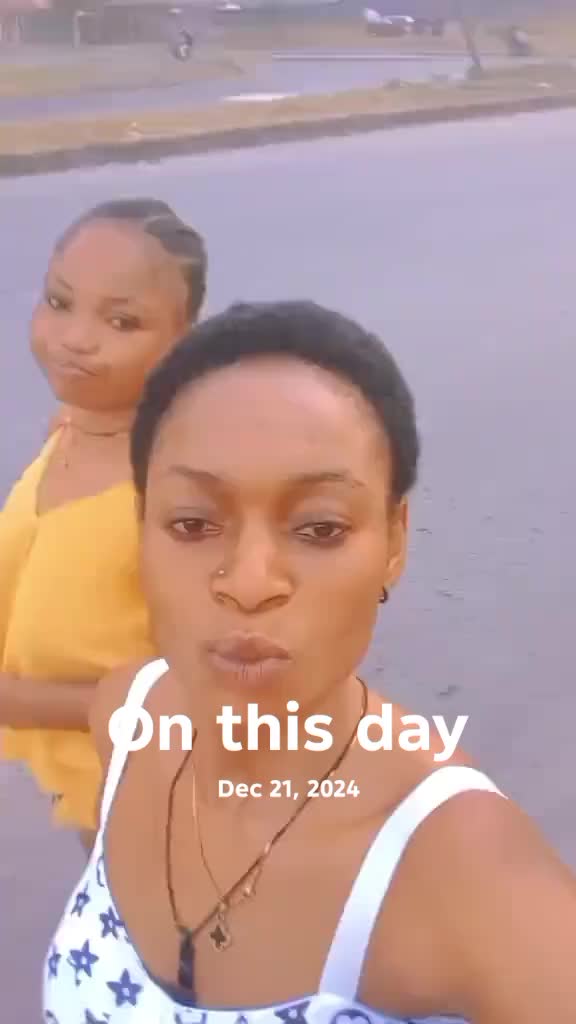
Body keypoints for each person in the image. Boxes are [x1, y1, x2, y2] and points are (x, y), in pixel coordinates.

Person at [45, 301, 576, 1022]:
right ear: (140, 529)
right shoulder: (126, 716)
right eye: (193, 523)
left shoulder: (465, 876)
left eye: (319, 528)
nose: (249, 582)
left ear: (394, 542)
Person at [0, 197, 206, 850]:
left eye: (121, 321)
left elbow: (199, 692)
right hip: (96, 784)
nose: (76, 338)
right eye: (59, 302)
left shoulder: (177, 489)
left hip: (163, 804)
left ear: (182, 341)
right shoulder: (72, 430)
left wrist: (20, 701)